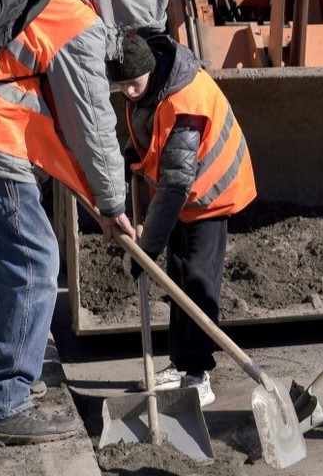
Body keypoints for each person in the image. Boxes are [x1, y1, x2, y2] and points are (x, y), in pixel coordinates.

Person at [0, 0, 169, 446]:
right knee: (34, 263)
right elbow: (91, 125)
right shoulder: (79, 25)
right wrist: (114, 203)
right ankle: (4, 403)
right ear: (123, 12)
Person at [106, 33, 256, 406]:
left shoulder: (185, 101)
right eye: (121, 86)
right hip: (186, 190)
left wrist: (146, 249)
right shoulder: (151, 83)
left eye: (133, 84)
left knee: (197, 282)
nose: (128, 92)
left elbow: (175, 183)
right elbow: (152, 130)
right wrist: (132, 153)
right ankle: (181, 363)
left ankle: (199, 375)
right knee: (179, 275)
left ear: (149, 72)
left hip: (211, 191)